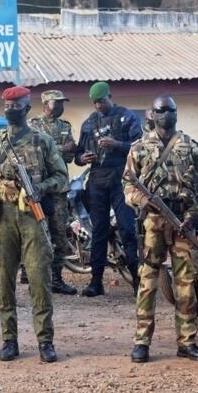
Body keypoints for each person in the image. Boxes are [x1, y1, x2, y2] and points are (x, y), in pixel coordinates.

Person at [0, 86, 68, 362]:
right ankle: (9, 340)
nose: (12, 110)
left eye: (18, 106)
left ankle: (45, 341)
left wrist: (41, 186)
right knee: (4, 281)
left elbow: (61, 176)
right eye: (8, 106)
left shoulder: (42, 140)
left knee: (39, 280)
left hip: (32, 217)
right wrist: (0, 171)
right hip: (2, 217)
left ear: (27, 108)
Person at [122, 94, 198, 363]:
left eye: (170, 110)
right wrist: (142, 199)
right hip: (153, 223)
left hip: (183, 221)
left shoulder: (192, 147)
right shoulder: (139, 148)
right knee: (147, 282)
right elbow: (127, 185)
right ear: (152, 114)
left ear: (176, 113)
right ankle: (141, 342)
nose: (166, 115)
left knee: (186, 285)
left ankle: (187, 341)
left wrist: (194, 214)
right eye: (161, 110)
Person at [74, 81, 142, 297]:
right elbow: (78, 154)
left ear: (110, 97)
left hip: (121, 180)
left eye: (101, 101)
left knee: (127, 230)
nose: (99, 106)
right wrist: (82, 158)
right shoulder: (89, 123)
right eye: (95, 103)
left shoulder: (126, 117)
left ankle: (137, 282)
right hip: (97, 181)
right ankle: (96, 282)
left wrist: (116, 145)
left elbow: (141, 147)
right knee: (99, 232)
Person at [29, 89, 77, 295]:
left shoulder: (65, 126)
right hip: (39, 189)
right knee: (37, 234)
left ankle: (56, 279)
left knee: (59, 234)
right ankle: (36, 279)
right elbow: (35, 153)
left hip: (59, 189)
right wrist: (61, 149)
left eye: (61, 103)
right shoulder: (33, 125)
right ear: (45, 103)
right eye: (55, 102)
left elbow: (70, 156)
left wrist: (63, 151)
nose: (59, 106)